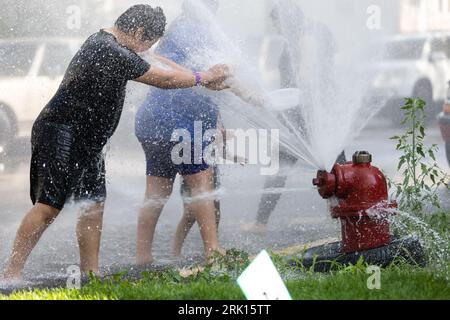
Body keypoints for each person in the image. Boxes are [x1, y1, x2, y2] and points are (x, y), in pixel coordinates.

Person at [3, 4, 229, 280]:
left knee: (93, 205)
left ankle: (91, 273)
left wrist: (202, 79)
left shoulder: (117, 45)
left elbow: (162, 64)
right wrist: (203, 77)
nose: (146, 49)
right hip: (60, 132)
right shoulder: (108, 49)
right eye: (147, 42)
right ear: (137, 31)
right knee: (49, 205)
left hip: (88, 140)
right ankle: (11, 273)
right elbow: (164, 78)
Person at [134, 0, 230, 264]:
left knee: (156, 193)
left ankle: (142, 257)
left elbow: (204, 82)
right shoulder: (196, 30)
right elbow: (212, 77)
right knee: (201, 183)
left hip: (154, 120)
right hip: (181, 122)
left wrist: (218, 123)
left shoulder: (179, 28)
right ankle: (212, 251)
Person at [244, 5, 346, 234]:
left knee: (283, 163)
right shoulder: (317, 30)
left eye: (278, 24)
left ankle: (261, 222)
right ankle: (345, 212)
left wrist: (294, 98)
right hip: (316, 109)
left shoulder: (305, 35)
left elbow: (306, 71)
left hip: (304, 111)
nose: (278, 30)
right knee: (335, 162)